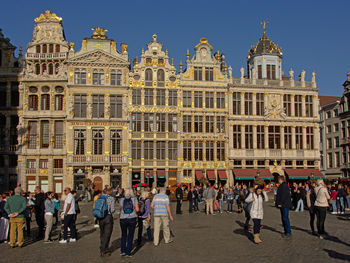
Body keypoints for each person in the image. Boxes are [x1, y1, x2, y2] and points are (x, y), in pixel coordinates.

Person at [119, 188, 139, 257]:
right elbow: (137, 209)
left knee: (123, 235)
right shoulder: (134, 199)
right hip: (132, 218)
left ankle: (122, 251)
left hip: (123, 218)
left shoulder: (122, 199)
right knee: (130, 235)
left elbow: (120, 208)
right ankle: (128, 252)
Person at [98, 186, 115, 257]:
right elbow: (112, 210)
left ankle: (102, 246)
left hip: (100, 217)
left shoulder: (100, 197)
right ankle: (104, 250)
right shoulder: (111, 198)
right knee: (107, 234)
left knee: (102, 232)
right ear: (110, 191)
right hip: (108, 217)